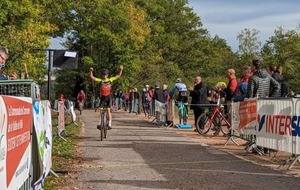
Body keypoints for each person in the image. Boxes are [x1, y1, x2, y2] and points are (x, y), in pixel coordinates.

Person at [89, 65, 123, 129]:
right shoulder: (100, 80)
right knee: (101, 110)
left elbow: (118, 75)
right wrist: (91, 71)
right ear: (102, 75)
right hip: (102, 97)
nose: (104, 76)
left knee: (108, 110)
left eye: (106, 75)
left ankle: (109, 124)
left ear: (107, 75)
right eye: (103, 75)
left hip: (109, 97)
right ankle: (99, 123)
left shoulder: (110, 80)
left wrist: (121, 70)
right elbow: (92, 77)